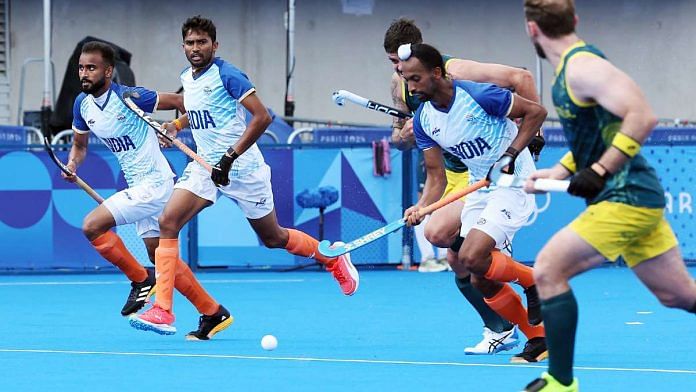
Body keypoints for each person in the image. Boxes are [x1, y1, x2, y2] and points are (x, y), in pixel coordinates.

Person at [129, 16, 359, 335]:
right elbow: (197, 112)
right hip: (205, 166)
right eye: (190, 43)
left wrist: (230, 156)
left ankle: (332, 257)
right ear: (183, 46)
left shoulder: (229, 75)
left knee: (273, 237)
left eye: (202, 42)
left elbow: (261, 117)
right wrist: (176, 126)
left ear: (215, 45)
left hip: (243, 167)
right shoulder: (188, 78)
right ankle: (163, 310)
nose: (196, 48)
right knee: (168, 221)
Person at [521, 1, 696, 390]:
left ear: (532, 29)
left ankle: (560, 383)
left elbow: (642, 115)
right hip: (630, 198)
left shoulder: (582, 67)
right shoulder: (569, 70)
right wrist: (562, 170)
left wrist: (600, 171)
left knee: (548, 269)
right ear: (575, 20)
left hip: (627, 196)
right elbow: (598, 133)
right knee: (679, 295)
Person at [383, 18, 544, 354]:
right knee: (476, 273)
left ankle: (532, 280)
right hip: (477, 184)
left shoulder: (478, 94)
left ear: (438, 73)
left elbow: (536, 113)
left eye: (415, 78)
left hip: (512, 181)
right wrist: (421, 207)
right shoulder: (425, 119)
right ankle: (537, 338)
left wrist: (514, 153)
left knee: (471, 254)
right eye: (404, 78)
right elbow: (436, 178)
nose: (410, 87)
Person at [65, 41, 232, 340]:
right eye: (81, 67)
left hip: (155, 185)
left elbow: (184, 102)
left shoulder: (131, 97)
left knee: (92, 226)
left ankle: (141, 280)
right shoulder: (82, 105)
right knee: (161, 257)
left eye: (91, 68)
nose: (84, 73)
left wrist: (176, 127)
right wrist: (73, 165)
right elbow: (79, 146)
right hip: (139, 185)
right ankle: (212, 312)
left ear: (108, 71)